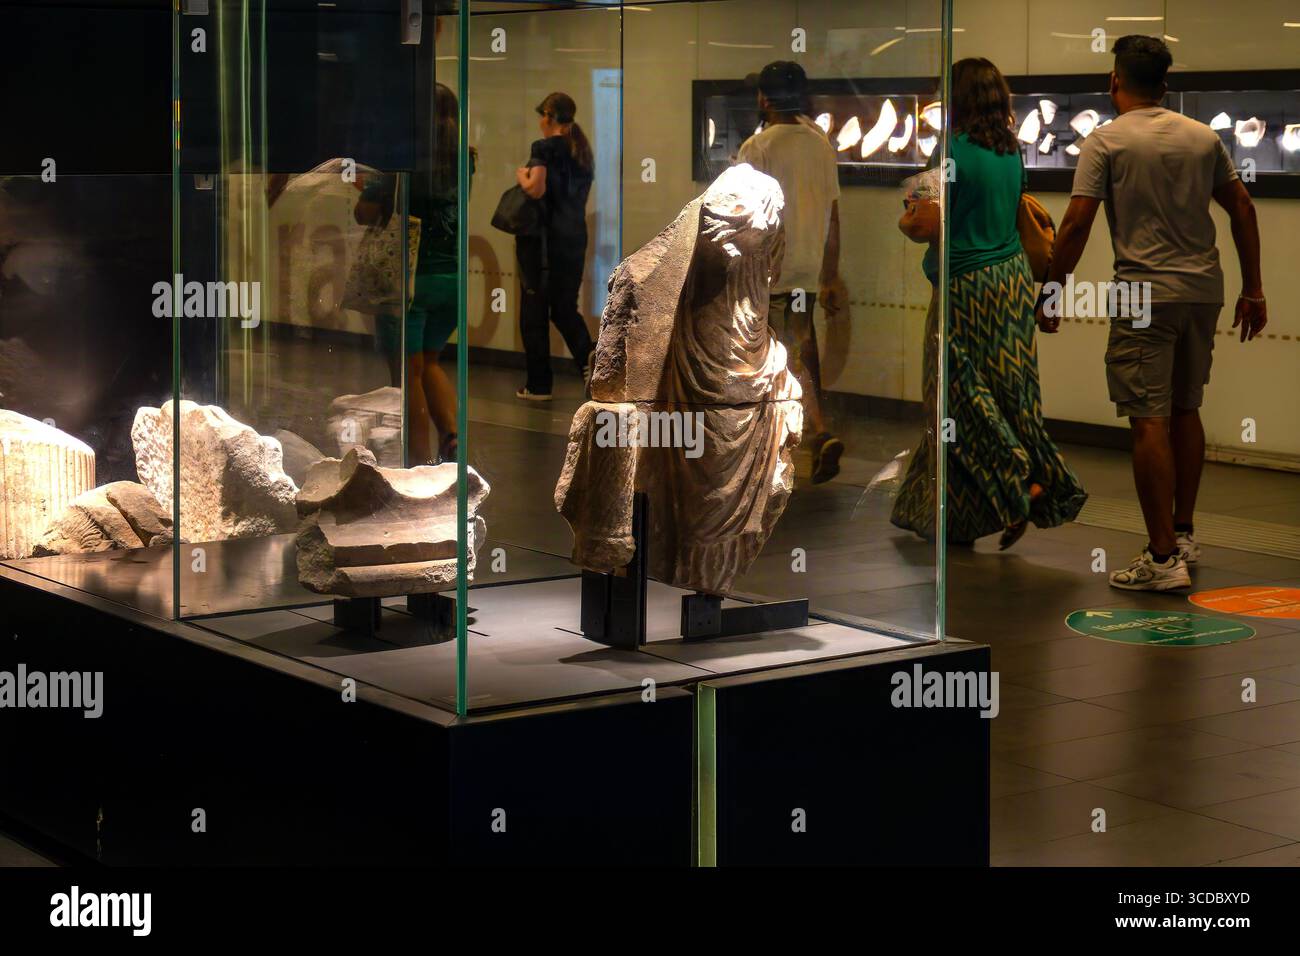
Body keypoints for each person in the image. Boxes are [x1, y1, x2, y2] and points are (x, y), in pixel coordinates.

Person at [1037, 35, 1266, 591]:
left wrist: (1052, 291)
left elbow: (1076, 223)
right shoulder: (1203, 137)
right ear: (1166, 85)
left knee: (1149, 419)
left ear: (1114, 81)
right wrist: (1253, 289)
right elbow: (1241, 206)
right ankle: (1182, 534)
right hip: (1203, 292)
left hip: (1140, 293)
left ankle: (1163, 559)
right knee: (1186, 409)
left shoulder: (1105, 141)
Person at [892, 57, 1086, 546]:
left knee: (953, 394)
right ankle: (956, 516)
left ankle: (1019, 478)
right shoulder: (1009, 152)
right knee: (1009, 394)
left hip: (965, 288)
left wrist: (909, 205)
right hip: (1011, 282)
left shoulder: (952, 150)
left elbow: (924, 224)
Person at [737, 61, 846, 483]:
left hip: (768, 269)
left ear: (764, 98)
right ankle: (818, 432)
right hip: (806, 267)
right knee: (802, 350)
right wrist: (830, 274)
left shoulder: (758, 148)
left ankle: (762, 447)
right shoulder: (821, 145)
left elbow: (747, 219)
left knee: (757, 359)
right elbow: (834, 216)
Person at [359, 82, 468, 465]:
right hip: (452, 279)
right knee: (431, 362)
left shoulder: (400, 158)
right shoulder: (463, 158)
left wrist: (365, 182)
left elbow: (366, 212)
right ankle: (453, 439)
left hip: (410, 280)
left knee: (408, 375)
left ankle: (419, 464)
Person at [513, 92, 596, 401]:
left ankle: (538, 384)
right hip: (574, 237)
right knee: (563, 308)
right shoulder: (582, 151)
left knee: (533, 312)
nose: (540, 121)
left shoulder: (544, 148)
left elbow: (535, 187)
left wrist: (521, 175)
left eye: (542, 115)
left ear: (549, 116)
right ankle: (593, 363)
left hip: (544, 243)